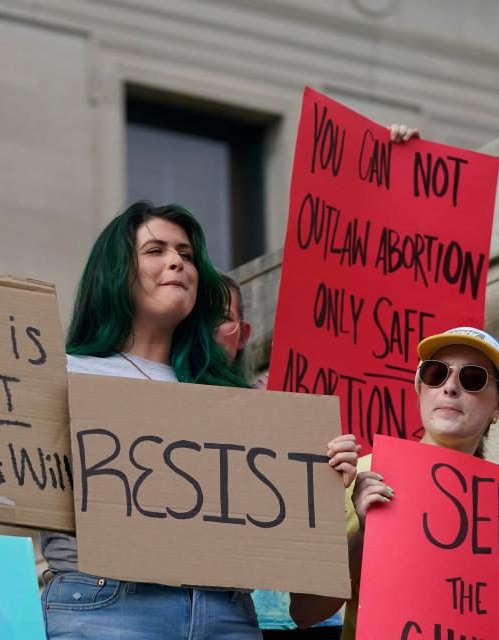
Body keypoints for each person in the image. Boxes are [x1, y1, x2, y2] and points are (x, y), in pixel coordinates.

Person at [41, 200, 359, 640]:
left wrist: (323, 485)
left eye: (186, 255)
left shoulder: (240, 401)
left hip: (224, 613)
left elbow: (299, 586)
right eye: (155, 251)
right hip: (106, 606)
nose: (176, 262)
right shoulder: (63, 375)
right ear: (115, 271)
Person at [289, 326, 499, 639]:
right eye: (436, 374)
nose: (450, 388)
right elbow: (304, 612)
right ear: (420, 387)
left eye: (472, 379)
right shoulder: (359, 475)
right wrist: (366, 534)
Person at [213, 276, 348, 639]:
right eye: (202, 315)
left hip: (308, 617)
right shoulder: (162, 406)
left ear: (243, 333)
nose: (211, 327)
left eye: (223, 317)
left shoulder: (285, 395)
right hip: (227, 617)